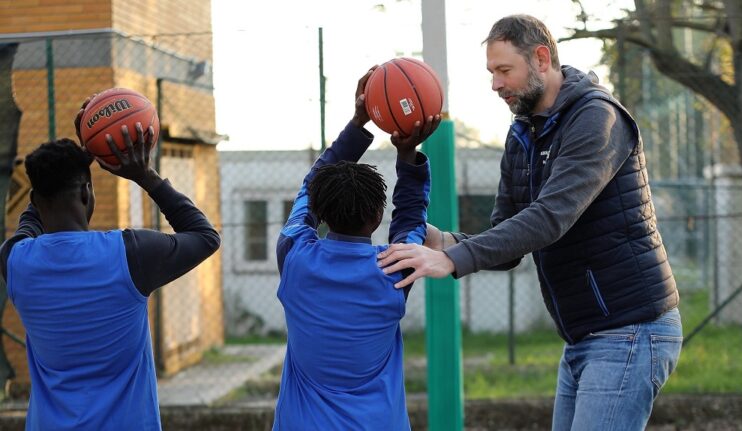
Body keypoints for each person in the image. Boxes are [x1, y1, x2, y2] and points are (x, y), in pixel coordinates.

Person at [377, 14, 682, 431]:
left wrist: (455, 260)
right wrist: (442, 241)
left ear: (541, 59)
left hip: (631, 330)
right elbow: (508, 238)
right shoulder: (523, 133)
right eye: (492, 73)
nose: (495, 84)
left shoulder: (597, 118)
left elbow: (550, 217)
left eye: (505, 70)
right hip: (584, 336)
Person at [0, 107, 220, 430]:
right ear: (87, 193)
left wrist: (72, 163)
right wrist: (145, 175)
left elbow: (30, 222)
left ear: (35, 197)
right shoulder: (130, 255)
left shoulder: (15, 261)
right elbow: (205, 236)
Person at [272, 67, 439, 430]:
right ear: (378, 216)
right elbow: (411, 219)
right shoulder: (394, 270)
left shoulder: (294, 257)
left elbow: (308, 189)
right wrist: (408, 153)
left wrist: (358, 122)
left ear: (323, 214)